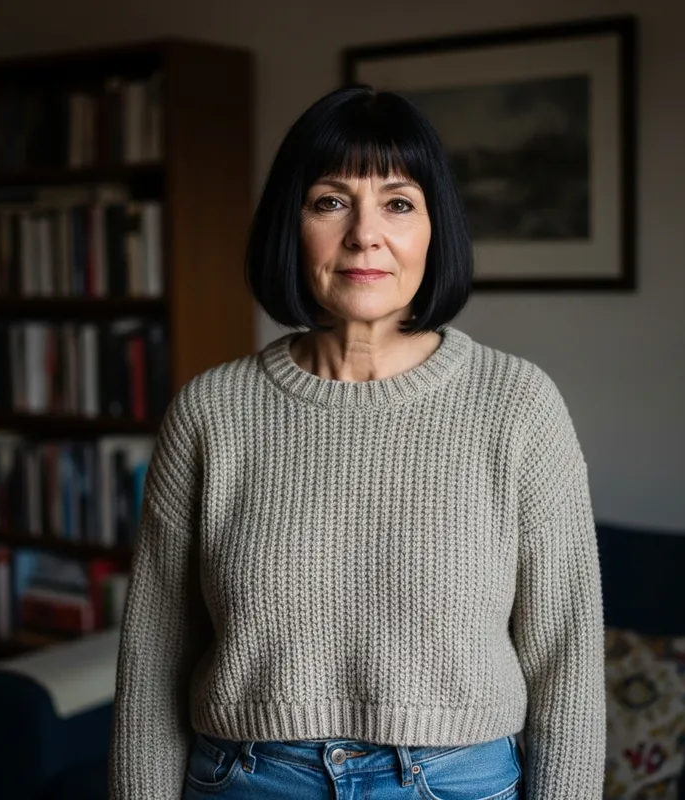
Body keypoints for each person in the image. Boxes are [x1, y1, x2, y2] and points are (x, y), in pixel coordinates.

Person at [109, 84, 605, 800]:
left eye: (398, 203)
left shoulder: (518, 405)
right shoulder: (211, 411)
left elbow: (568, 663)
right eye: (330, 201)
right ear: (293, 222)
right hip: (250, 780)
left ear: (435, 228)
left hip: (457, 782)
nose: (364, 234)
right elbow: (152, 663)